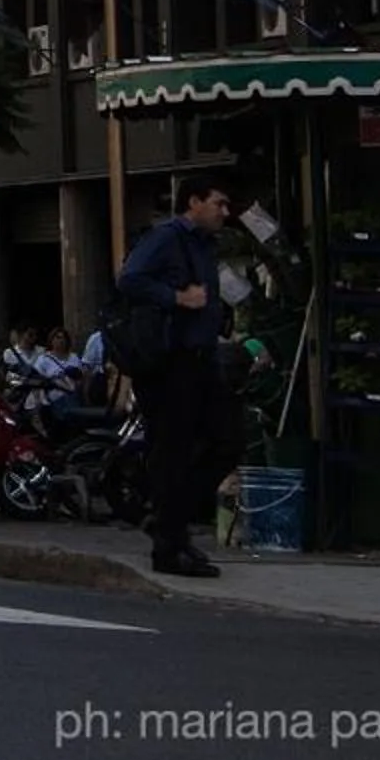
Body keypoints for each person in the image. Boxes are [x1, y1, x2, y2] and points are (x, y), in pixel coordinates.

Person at [116, 175, 234, 578]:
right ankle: (169, 545)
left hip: (203, 359)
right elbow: (129, 278)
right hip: (170, 363)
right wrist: (177, 298)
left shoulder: (205, 245)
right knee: (173, 452)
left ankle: (169, 519)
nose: (224, 212)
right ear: (194, 202)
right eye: (218, 203)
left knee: (226, 441)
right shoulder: (166, 238)